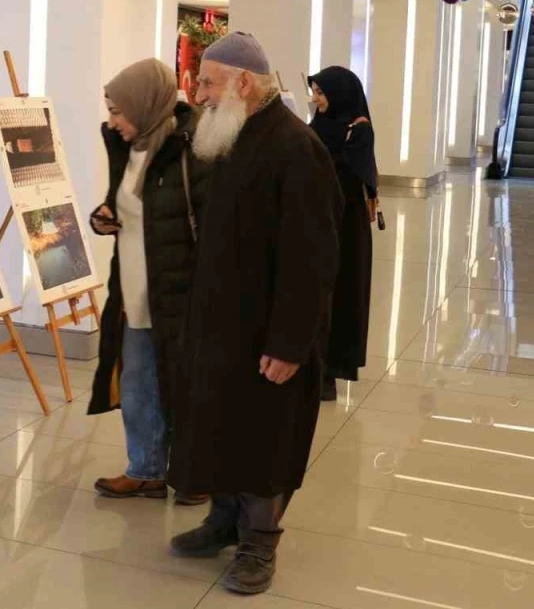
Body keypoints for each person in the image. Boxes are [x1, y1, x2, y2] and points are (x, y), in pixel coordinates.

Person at [168, 33, 342, 595]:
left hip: (270, 331)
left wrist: (290, 343)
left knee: (266, 436)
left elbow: (311, 258)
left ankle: (258, 543)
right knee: (219, 425)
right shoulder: (234, 135)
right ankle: (223, 521)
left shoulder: (295, 148)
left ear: (244, 83)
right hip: (221, 324)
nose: (199, 93)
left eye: (209, 82)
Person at [87, 58, 211, 506]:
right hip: (134, 289)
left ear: (144, 103)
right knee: (139, 382)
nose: (112, 120)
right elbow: (123, 205)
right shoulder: (126, 148)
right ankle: (146, 470)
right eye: (109, 109)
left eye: (118, 110)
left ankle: (193, 474)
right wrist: (103, 217)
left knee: (184, 384)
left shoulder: (192, 146)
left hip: (179, 291)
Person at [308, 67, 378, 400]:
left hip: (345, 229)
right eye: (315, 92)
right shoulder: (317, 126)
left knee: (339, 295)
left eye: (321, 93)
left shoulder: (358, 131)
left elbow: (353, 178)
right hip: (319, 221)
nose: (315, 99)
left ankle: (329, 373)